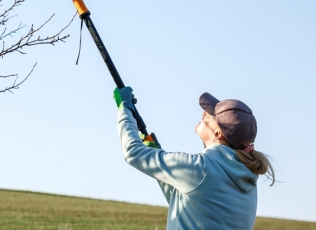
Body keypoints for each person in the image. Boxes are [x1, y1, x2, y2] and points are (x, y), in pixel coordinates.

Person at [114, 87, 274, 230]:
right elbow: (190, 201)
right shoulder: (247, 182)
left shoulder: (201, 169)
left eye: (210, 114)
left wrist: (125, 109)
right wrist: (155, 152)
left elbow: (133, 151)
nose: (204, 113)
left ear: (218, 133)